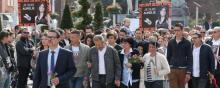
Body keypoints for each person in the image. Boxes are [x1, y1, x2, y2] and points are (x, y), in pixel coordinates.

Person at [167, 23, 193, 88]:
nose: (176, 32)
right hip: (172, 69)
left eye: (178, 30)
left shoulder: (187, 43)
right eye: (175, 30)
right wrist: (167, 69)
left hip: (183, 70)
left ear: (182, 30)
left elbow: (190, 58)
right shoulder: (170, 42)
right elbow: (168, 57)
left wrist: (188, 72)